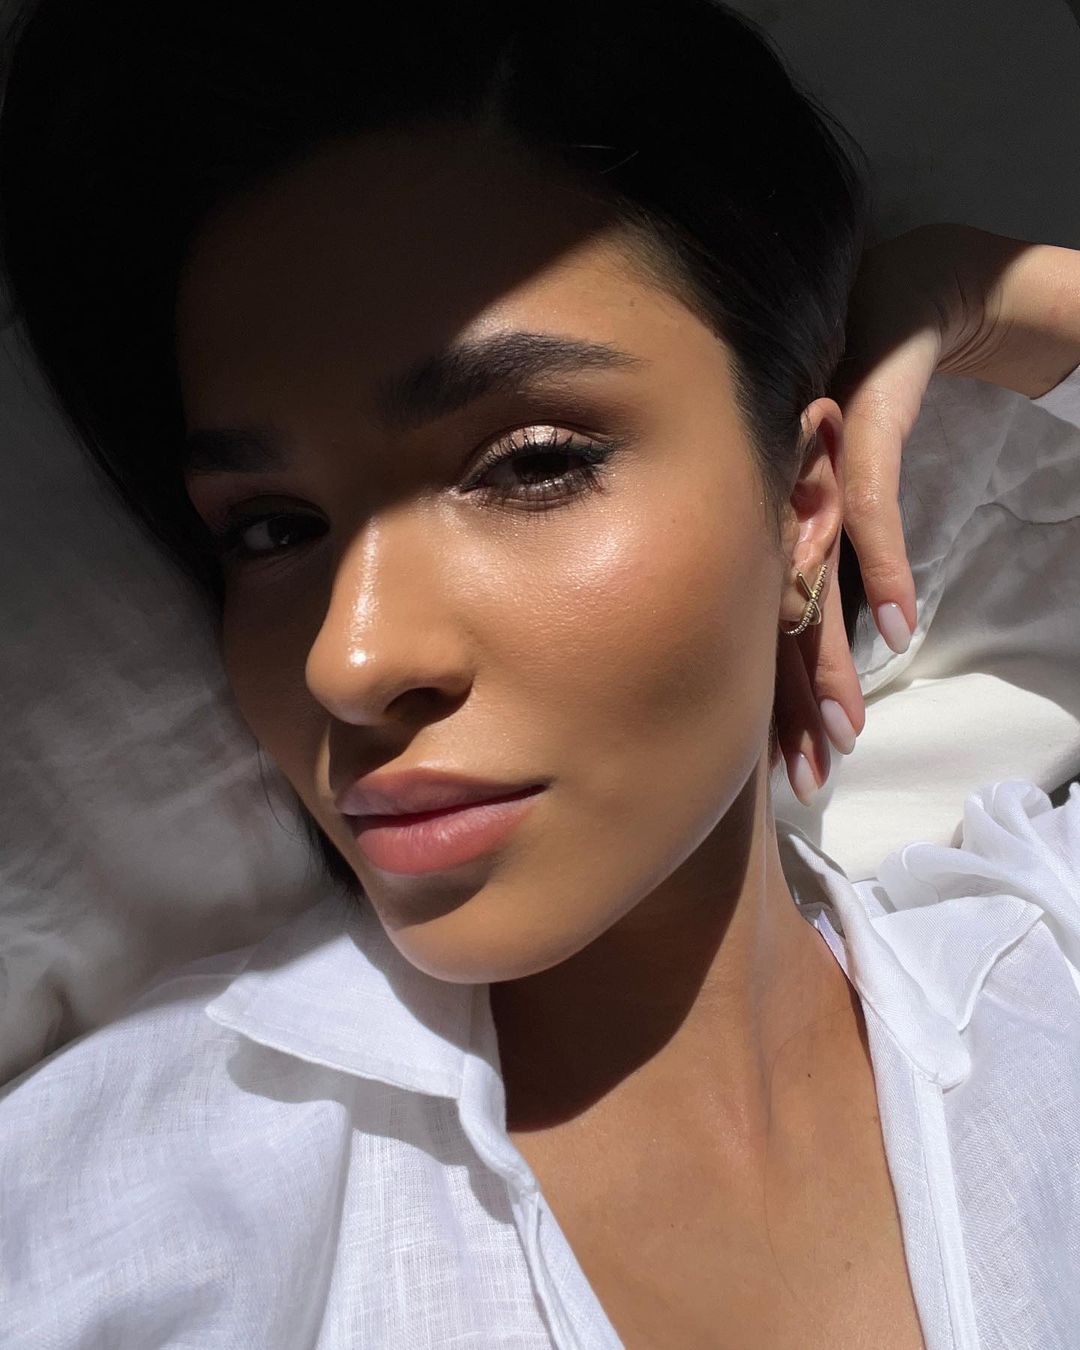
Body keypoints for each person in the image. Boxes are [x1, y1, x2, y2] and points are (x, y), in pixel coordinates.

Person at [0, 1, 1077, 1347]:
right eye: (273, 530)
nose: (348, 658)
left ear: (806, 504)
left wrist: (1001, 295)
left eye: (531, 463)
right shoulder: (117, 1224)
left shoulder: (1040, 969)